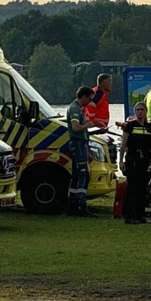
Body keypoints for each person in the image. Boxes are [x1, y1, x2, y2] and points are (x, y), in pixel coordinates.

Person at [119, 102, 151, 224]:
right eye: (138, 110)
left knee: (142, 188)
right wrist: (121, 161)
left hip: (144, 161)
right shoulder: (130, 126)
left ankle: (140, 215)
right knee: (132, 188)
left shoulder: (148, 127)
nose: (140, 112)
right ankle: (129, 215)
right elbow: (123, 145)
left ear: (146, 112)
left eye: (142, 110)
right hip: (132, 160)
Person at [65, 86, 93, 217]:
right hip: (78, 143)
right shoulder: (75, 109)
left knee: (76, 175)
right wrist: (87, 126)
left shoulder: (78, 108)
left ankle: (72, 205)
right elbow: (76, 127)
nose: (90, 101)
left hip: (81, 144)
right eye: (89, 98)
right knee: (83, 174)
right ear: (84, 96)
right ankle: (81, 205)